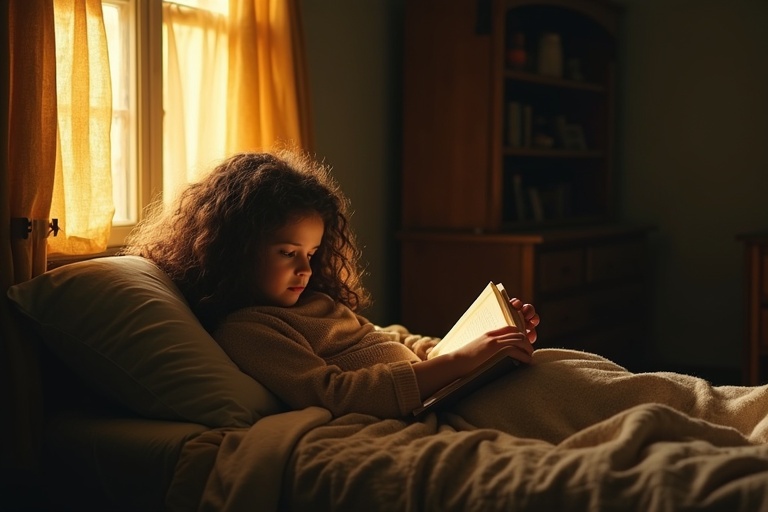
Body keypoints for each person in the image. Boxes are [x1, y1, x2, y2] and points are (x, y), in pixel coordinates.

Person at [122, 149, 768, 445]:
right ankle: (733, 433)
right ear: (236, 249)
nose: (304, 269)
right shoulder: (249, 328)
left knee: (581, 370)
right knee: (608, 406)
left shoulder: (308, 303)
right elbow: (335, 392)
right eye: (288, 254)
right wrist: (459, 364)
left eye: (313, 255)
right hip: (446, 400)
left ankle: (739, 412)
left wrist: (479, 338)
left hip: (453, 379)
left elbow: (389, 341)